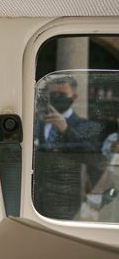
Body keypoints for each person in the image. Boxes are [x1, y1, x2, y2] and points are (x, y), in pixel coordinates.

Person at [33, 74, 103, 220]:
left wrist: (66, 130)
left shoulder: (85, 125)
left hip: (67, 203)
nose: (57, 97)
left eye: (63, 94)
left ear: (74, 96)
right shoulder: (37, 123)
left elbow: (93, 156)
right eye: (54, 94)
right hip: (35, 202)